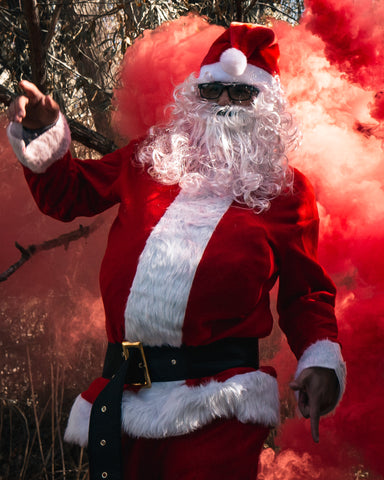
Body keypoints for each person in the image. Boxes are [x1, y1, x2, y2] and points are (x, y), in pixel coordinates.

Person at [7, 22, 346, 480]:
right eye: (214, 92)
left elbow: (306, 295)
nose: (225, 104)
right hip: (123, 398)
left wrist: (319, 359)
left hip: (219, 406)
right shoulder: (150, 158)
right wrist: (44, 135)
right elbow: (69, 196)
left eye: (241, 94)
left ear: (266, 108)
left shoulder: (286, 192)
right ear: (196, 98)